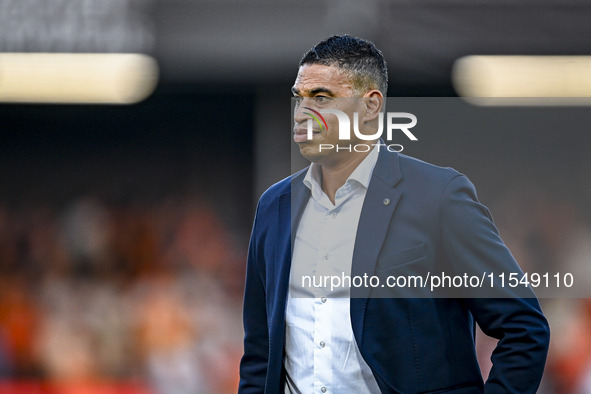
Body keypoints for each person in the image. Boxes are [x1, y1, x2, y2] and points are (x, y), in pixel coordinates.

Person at [239, 34, 550, 393]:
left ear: (371, 106)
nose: (302, 114)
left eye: (321, 98)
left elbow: (524, 329)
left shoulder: (439, 197)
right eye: (299, 98)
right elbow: (260, 356)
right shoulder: (274, 207)